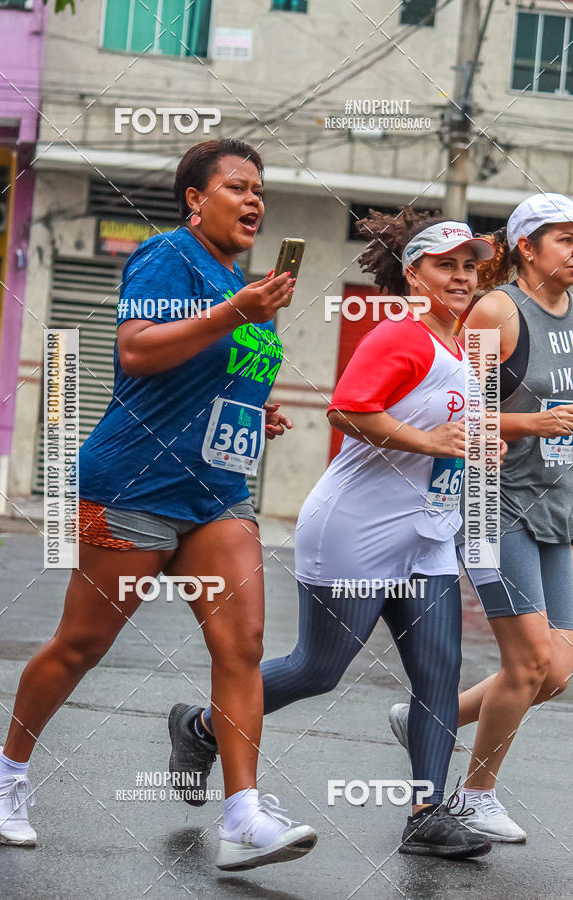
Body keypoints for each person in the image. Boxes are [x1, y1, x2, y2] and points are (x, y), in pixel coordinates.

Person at [0, 138, 318, 872]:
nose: (254, 199)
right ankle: (4, 772)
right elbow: (137, 351)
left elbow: (206, 375)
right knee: (82, 645)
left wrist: (256, 411)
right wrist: (236, 312)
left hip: (215, 492)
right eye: (236, 186)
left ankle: (243, 814)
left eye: (260, 187)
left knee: (243, 647)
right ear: (195, 199)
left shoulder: (241, 280)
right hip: (132, 484)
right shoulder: (171, 257)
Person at [168, 208, 496, 859]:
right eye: (445, 265)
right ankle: (201, 726)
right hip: (356, 529)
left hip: (427, 531)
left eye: (469, 266)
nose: (460, 277)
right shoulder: (399, 335)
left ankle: (427, 814)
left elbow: (453, 429)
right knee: (319, 670)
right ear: (413, 275)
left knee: (439, 672)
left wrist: (479, 447)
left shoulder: (467, 346)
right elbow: (349, 408)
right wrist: (427, 439)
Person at [390, 192, 573, 843]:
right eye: (564, 239)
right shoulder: (500, 311)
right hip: (496, 507)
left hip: (560, 506)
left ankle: (427, 718)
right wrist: (533, 422)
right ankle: (473, 796)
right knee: (527, 664)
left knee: (556, 669)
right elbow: (459, 409)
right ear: (527, 247)